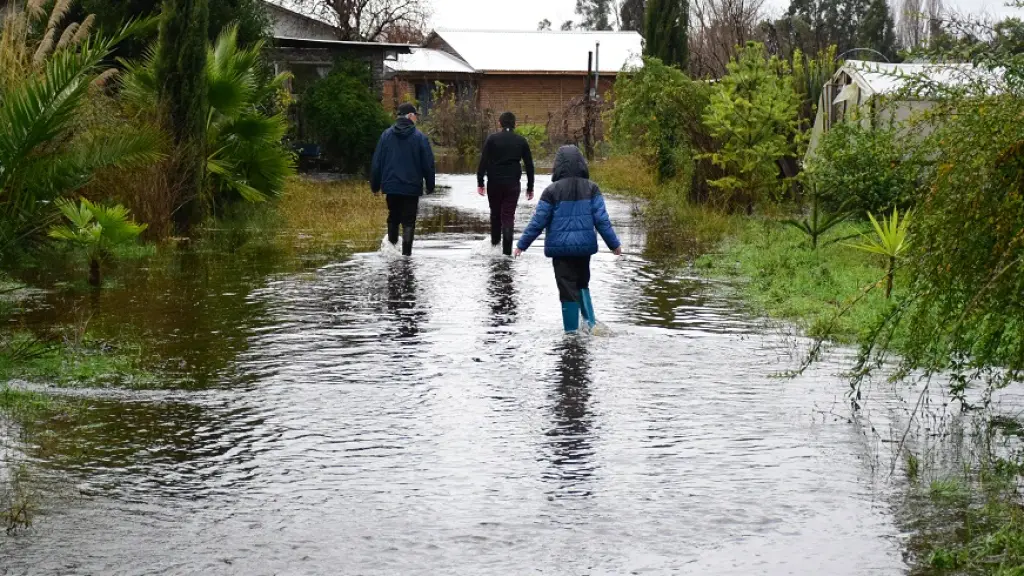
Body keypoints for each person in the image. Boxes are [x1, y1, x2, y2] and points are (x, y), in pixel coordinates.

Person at [514, 145, 622, 333]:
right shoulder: (592, 189)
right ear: (581, 163)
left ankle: (571, 333)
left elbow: (538, 222)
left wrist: (522, 245)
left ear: (558, 166)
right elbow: (602, 220)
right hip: (583, 249)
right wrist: (614, 245)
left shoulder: (551, 191)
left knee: (567, 289)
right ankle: (590, 324)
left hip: (561, 251)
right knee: (582, 283)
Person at [371, 103, 436, 256]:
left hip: (391, 186)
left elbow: (377, 162)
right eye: (415, 115)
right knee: (409, 221)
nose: (416, 119)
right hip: (411, 187)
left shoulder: (385, 136)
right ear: (409, 116)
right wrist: (430, 185)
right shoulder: (420, 138)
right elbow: (428, 164)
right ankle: (406, 256)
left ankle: (392, 250)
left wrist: (375, 185)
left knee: (393, 216)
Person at [477, 111, 535, 256]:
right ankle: (507, 255)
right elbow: (529, 165)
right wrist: (530, 186)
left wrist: (480, 182)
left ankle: (495, 247)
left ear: (500, 123)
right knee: (508, 216)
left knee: (495, 215)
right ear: (515, 124)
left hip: (494, 183)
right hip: (512, 185)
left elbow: (483, 161)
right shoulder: (521, 141)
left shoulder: (492, 139)